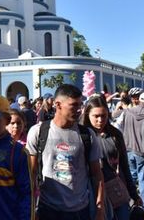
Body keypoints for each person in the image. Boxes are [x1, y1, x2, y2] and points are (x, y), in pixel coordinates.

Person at [27, 83, 104, 220]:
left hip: (80, 210)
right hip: (48, 209)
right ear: (58, 105)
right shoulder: (38, 132)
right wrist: (31, 208)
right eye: (74, 105)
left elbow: (97, 174)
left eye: (80, 105)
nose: (79, 109)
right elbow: (31, 174)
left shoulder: (87, 135)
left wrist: (99, 208)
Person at [83, 95, 140, 220]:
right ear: (87, 114)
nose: (100, 120)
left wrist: (133, 193)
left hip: (116, 190)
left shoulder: (115, 135)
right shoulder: (82, 135)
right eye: (96, 116)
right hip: (90, 193)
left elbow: (124, 166)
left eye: (103, 116)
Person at [119, 88, 144, 211]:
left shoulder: (127, 112)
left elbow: (118, 126)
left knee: (131, 176)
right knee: (142, 176)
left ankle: (128, 200)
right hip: (142, 149)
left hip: (128, 148)